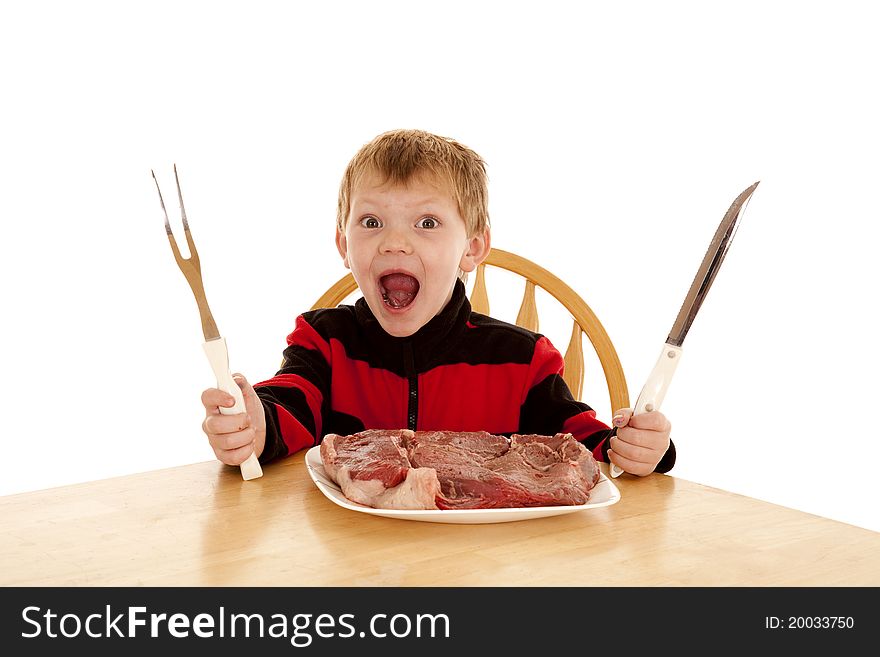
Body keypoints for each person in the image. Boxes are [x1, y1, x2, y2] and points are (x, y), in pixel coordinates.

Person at [201, 129, 674, 476]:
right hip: (352, 560)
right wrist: (254, 424)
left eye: (426, 223)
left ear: (471, 248)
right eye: (371, 222)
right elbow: (291, 406)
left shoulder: (522, 360)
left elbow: (580, 443)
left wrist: (635, 448)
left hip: (485, 562)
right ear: (343, 244)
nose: (395, 242)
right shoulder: (325, 341)